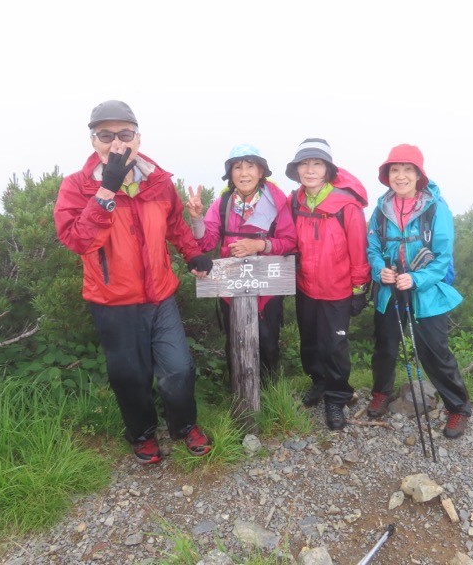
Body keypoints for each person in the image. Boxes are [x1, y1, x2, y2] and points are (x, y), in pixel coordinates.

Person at [54, 100, 215, 464]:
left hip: (161, 297)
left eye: (124, 134)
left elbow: (175, 224)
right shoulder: (77, 187)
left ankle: (184, 426)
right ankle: (142, 435)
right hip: (113, 302)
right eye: (105, 135)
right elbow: (78, 241)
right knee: (129, 375)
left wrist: (192, 254)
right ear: (93, 140)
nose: (116, 143)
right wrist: (106, 192)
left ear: (138, 138)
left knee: (178, 369)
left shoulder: (158, 182)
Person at [365, 143, 472, 439]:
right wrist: (379, 270)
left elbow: (442, 258)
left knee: (435, 352)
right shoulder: (380, 210)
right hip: (390, 290)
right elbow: (373, 248)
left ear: (419, 175)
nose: (400, 176)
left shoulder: (436, 209)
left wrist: (416, 278)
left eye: (407, 170)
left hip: (426, 293)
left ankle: (458, 408)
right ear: (387, 175)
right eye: (394, 170)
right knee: (385, 348)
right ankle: (381, 393)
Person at [185, 144, 297, 383]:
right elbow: (207, 242)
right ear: (231, 173)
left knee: (268, 341)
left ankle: (269, 394)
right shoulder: (223, 203)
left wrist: (259, 246)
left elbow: (289, 242)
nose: (244, 173)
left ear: (260, 172)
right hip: (232, 287)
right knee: (235, 340)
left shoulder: (278, 203)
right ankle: (238, 394)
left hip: (268, 287)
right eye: (238, 167)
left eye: (250, 166)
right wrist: (196, 219)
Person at [286, 138, 370, 431]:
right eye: (304, 164)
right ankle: (319, 382)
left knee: (334, 345)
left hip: (337, 289)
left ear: (328, 169)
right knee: (309, 342)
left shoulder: (346, 205)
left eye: (317, 163)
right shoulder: (294, 201)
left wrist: (359, 289)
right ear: (297, 169)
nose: (310, 170)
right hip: (305, 285)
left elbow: (359, 249)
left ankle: (338, 396)